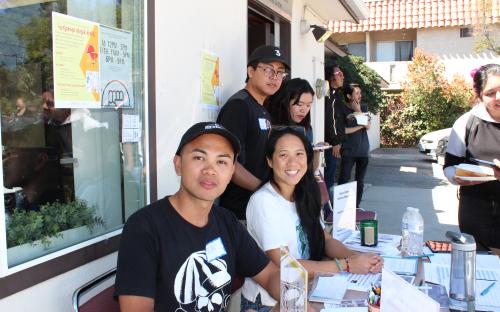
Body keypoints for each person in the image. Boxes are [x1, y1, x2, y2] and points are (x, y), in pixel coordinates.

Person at [115, 122, 280, 312]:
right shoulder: (143, 228)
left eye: (221, 162)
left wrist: (293, 297)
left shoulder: (227, 221)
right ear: (178, 165)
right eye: (199, 157)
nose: (210, 170)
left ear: (231, 172)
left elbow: (269, 275)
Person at [241, 126, 383, 311]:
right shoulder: (263, 201)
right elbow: (285, 265)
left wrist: (357, 257)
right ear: (270, 160)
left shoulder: (304, 192)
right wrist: (347, 265)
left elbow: (326, 239)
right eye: (283, 155)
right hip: (271, 302)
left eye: (299, 154)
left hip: (311, 286)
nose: (293, 162)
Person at [216, 45, 290, 220]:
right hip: (241, 211)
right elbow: (228, 163)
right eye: (268, 70)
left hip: (259, 206)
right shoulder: (239, 106)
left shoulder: (262, 110)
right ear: (251, 71)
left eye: (280, 73)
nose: (275, 77)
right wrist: (266, 189)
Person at [443, 64, 500, 249]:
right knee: (478, 265)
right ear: (480, 95)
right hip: (475, 211)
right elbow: (450, 166)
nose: (498, 97)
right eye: (491, 93)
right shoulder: (467, 122)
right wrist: (459, 177)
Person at [265, 77, 325, 171]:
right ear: (285, 102)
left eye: (308, 105)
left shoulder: (307, 128)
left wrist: (316, 151)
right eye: (299, 104)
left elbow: (311, 169)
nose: (304, 110)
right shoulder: (269, 126)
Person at [338, 84, 371, 208]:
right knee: (344, 179)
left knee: (360, 182)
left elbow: (368, 126)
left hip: (363, 151)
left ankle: (356, 207)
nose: (359, 95)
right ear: (348, 95)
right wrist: (359, 126)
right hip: (348, 150)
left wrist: (358, 111)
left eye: (360, 93)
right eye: (356, 93)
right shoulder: (342, 109)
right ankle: (341, 207)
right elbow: (343, 130)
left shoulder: (363, 107)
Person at [324, 65, 346, 204]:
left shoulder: (336, 94)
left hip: (335, 142)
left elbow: (336, 118)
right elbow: (329, 118)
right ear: (332, 76)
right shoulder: (329, 93)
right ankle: (326, 210)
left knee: (330, 177)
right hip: (331, 144)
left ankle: (327, 208)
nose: (342, 76)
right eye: (340, 73)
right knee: (328, 178)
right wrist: (335, 141)